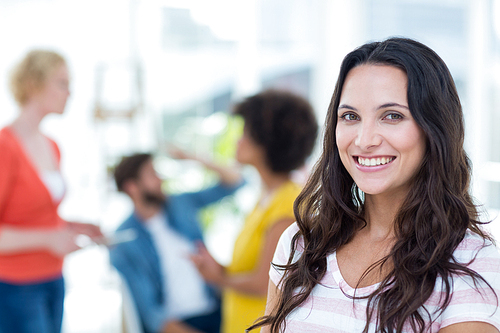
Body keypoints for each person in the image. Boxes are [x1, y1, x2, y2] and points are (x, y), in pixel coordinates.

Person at [248, 37, 500, 333]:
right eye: (350, 116)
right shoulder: (301, 244)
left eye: (392, 116)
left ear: (435, 129)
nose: (365, 140)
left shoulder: (472, 261)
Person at [190, 90, 318, 333]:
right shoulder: (266, 198)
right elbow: (255, 269)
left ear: (266, 141)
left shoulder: (287, 206)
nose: (238, 140)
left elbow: (264, 284)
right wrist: (220, 268)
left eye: (246, 132)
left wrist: (217, 279)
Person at [0, 50, 103, 333]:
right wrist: (48, 239)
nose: (69, 93)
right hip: (15, 286)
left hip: (54, 277)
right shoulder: (5, 147)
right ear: (34, 84)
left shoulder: (52, 146)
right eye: (62, 83)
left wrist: (74, 226)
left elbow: (35, 216)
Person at [109, 150, 244, 333]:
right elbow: (150, 313)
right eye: (152, 174)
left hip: (218, 310)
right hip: (177, 326)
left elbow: (235, 182)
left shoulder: (180, 204)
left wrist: (192, 156)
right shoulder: (122, 241)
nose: (161, 179)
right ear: (131, 187)